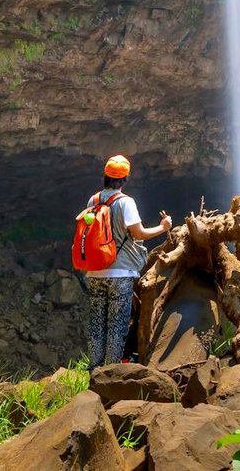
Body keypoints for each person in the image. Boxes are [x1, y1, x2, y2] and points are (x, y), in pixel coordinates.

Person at [83, 154, 170, 366]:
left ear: (105, 176)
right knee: (117, 324)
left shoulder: (92, 201)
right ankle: (111, 372)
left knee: (97, 322)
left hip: (95, 271)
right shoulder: (125, 202)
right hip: (120, 273)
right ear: (124, 179)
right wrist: (163, 227)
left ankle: (94, 369)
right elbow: (138, 233)